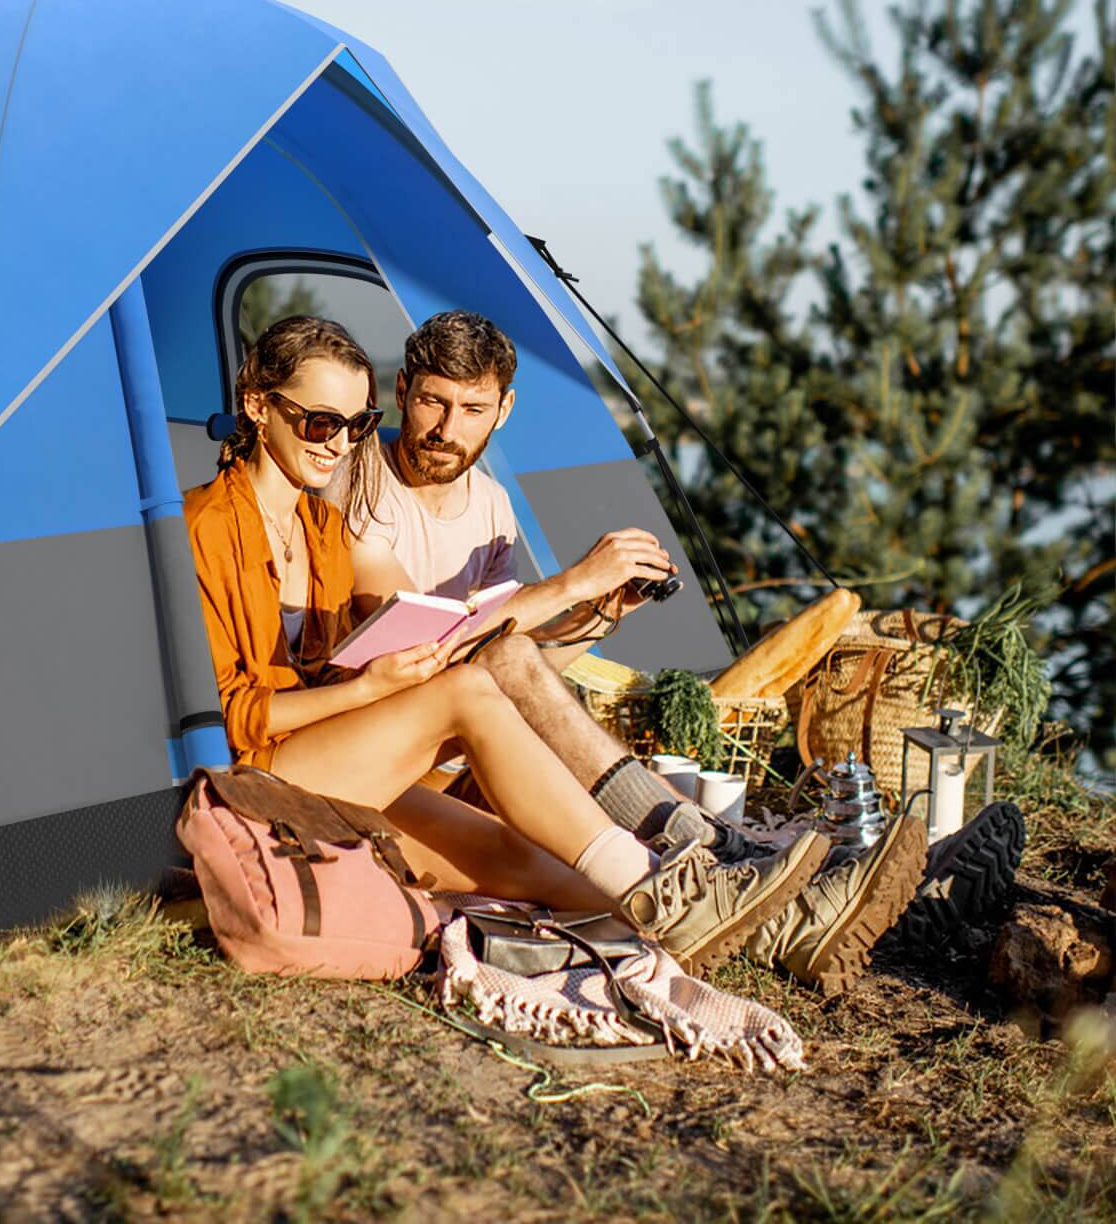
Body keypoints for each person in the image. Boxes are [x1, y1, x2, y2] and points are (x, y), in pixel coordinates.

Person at [329, 308, 1015, 990]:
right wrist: (570, 583)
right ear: (401, 394)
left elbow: (511, 671)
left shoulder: (488, 503)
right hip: (390, 760)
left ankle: (758, 868)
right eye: (431, 402)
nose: (447, 429)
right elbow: (434, 651)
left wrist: (594, 619)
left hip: (462, 746)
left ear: (503, 410)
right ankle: (767, 880)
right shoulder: (354, 482)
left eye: (471, 409)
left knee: (523, 681)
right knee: (608, 859)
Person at [184, 314, 835, 982]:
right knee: (467, 689)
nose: (341, 444)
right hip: (254, 776)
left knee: (525, 863)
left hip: (345, 760)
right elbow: (230, 717)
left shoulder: (319, 526)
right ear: (258, 405)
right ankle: (688, 876)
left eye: (356, 425)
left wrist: (589, 619)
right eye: (321, 423)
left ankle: (777, 929)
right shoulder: (205, 528)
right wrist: (367, 690)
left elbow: (439, 659)